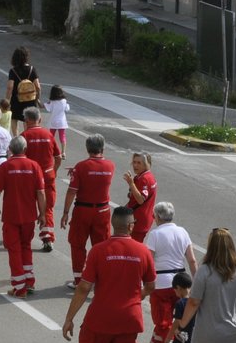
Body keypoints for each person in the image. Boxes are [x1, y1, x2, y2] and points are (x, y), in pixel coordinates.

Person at [62, 206, 155, 343]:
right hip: (129, 319)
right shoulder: (143, 252)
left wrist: (69, 318)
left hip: (100, 317)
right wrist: (135, 298)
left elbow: (84, 287)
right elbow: (151, 285)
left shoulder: (99, 250)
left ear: (114, 224)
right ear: (131, 226)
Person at [0, 134, 44, 296]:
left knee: (14, 250)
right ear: (25, 149)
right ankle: (29, 281)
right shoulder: (34, 166)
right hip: (29, 216)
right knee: (26, 246)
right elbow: (41, 193)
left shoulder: (5, 167)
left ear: (11, 150)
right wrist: (42, 214)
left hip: (11, 217)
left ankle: (19, 287)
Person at [142, 201, 197, 343]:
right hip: (181, 282)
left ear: (157, 217)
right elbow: (192, 261)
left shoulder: (155, 234)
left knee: (163, 322)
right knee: (179, 321)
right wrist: (197, 283)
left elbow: (148, 262)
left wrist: (144, 285)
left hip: (161, 284)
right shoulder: (182, 232)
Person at [59, 134, 115, 290]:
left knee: (77, 244)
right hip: (103, 210)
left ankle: (79, 280)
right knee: (101, 245)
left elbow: (71, 191)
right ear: (102, 148)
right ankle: (101, 278)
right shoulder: (110, 166)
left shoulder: (81, 167)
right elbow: (96, 176)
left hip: (83, 210)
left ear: (87, 148)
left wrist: (65, 213)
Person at [19, 107, 59, 250]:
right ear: (39, 119)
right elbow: (58, 156)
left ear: (27, 120)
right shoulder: (48, 135)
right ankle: (47, 238)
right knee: (47, 207)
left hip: (30, 177)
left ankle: (24, 237)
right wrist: (53, 171)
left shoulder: (24, 136)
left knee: (27, 207)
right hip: (47, 175)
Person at [125, 152, 157, 244]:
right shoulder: (147, 176)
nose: (135, 165)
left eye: (139, 163)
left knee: (132, 248)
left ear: (146, 164)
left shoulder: (144, 179)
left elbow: (140, 200)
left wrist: (131, 184)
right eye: (134, 162)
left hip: (138, 222)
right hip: (142, 220)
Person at [6, 47, 41, 128]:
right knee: (28, 119)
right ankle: (26, 136)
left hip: (16, 99)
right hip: (30, 99)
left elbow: (10, 87)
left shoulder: (13, 71)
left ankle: (15, 136)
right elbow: (38, 87)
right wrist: (37, 99)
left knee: (14, 118)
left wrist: (7, 100)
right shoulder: (32, 69)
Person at [45, 86, 71, 159]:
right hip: (62, 122)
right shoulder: (64, 101)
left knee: (51, 136)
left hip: (53, 122)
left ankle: (50, 150)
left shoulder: (52, 102)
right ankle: (63, 152)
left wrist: (37, 100)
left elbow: (47, 108)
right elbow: (67, 109)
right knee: (62, 136)